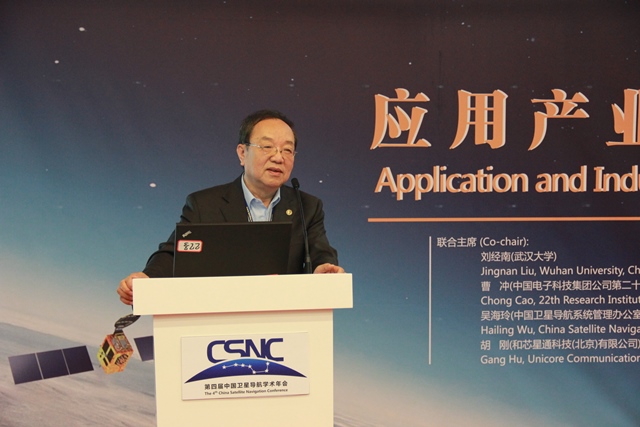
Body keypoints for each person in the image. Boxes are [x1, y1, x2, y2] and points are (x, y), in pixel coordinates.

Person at [117, 109, 344, 306]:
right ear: (242, 153)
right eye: (267, 147)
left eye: (287, 150)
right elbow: (176, 254)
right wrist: (147, 279)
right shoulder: (205, 204)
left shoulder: (307, 207)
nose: (278, 157)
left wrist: (324, 268)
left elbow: (320, 252)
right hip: (219, 318)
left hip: (283, 320)